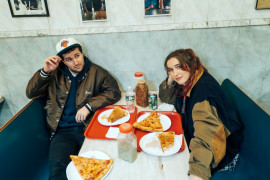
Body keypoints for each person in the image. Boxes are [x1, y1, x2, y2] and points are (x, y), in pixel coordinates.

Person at [26, 37, 121, 180]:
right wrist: (45, 72)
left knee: (99, 170)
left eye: (77, 56)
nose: (76, 62)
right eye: (69, 59)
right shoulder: (53, 74)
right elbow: (31, 93)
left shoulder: (97, 72)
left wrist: (89, 106)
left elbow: (114, 92)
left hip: (88, 128)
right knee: (57, 173)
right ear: (62, 61)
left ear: (82, 53)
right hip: (62, 132)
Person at [159, 49, 243, 180]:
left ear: (190, 64)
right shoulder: (191, 78)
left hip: (221, 152)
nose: (175, 73)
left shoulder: (202, 93)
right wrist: (172, 77)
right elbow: (166, 97)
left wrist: (197, 173)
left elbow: (205, 135)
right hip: (194, 136)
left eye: (179, 67)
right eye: (170, 69)